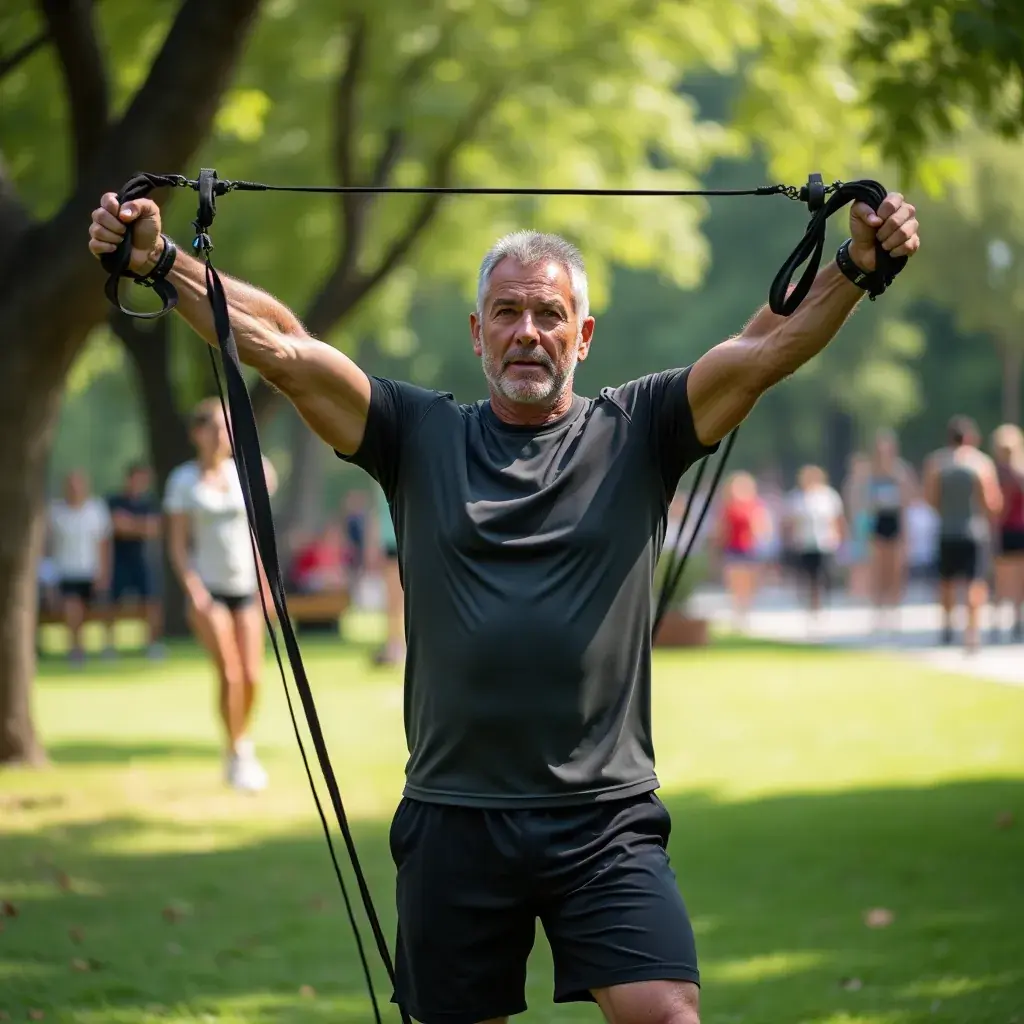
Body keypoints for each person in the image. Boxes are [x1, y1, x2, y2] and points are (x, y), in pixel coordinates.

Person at [89, 183, 920, 1024]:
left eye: (550, 314)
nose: (529, 331)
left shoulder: (640, 428)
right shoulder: (417, 435)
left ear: (583, 336)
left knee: (667, 1012)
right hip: (455, 815)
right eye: (508, 312)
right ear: (478, 333)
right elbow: (286, 350)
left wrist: (855, 263)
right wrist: (162, 262)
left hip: (604, 817)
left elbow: (763, 348)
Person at [164, 398, 277, 793]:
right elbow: (177, 545)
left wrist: (266, 589)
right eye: (212, 426)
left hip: (244, 587)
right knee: (229, 672)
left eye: (225, 427)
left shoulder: (242, 472)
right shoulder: (183, 481)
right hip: (208, 590)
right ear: (197, 433)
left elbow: (259, 533)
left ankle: (239, 742)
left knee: (252, 676)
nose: (220, 434)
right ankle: (238, 752)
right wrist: (193, 590)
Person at [922, 416, 1002, 651]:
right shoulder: (980, 464)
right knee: (974, 582)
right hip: (973, 531)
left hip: (946, 530)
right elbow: (991, 502)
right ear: (970, 438)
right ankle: (972, 632)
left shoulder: (937, 463)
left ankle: (947, 626)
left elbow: (930, 499)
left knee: (946, 581)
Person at [45, 469, 112, 664]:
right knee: (72, 610)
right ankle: (76, 649)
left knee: (100, 610)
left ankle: (106, 647)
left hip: (91, 570)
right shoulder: (56, 512)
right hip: (65, 571)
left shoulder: (96, 510)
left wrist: (104, 571)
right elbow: (48, 546)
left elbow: (104, 544)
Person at [105, 462, 164, 657]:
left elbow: (154, 529)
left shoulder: (150, 503)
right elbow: (116, 525)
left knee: (151, 603)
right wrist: (140, 526)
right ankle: (110, 646)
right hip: (118, 560)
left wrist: (130, 524)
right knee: (113, 603)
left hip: (143, 560)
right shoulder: (114, 500)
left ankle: (152, 644)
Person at [783, 464, 845, 625]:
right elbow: (790, 521)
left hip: (824, 542)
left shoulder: (828, 496)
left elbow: (836, 519)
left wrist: (839, 537)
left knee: (823, 574)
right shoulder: (796, 497)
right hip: (804, 543)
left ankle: (820, 604)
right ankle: (810, 604)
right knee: (808, 575)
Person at [865, 428, 913, 633]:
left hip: (894, 521)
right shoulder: (872, 473)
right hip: (878, 521)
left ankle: (894, 610)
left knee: (894, 569)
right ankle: (878, 610)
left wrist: (905, 531)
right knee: (878, 568)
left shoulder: (900, 471)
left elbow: (906, 502)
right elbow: (866, 502)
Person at [715, 471, 769, 629]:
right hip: (733, 548)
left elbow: (762, 525)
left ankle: (745, 608)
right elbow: (722, 528)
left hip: (750, 548)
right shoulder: (728, 507)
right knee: (735, 581)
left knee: (750, 582)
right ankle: (738, 611)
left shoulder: (755, 505)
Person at [989, 423, 1024, 641]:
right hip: (1002, 529)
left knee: (1019, 578)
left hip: (1019, 528)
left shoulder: (1019, 471)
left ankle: (1017, 619)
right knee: (1000, 578)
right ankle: (996, 620)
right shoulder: (994, 472)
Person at [368, 483, 405, 666]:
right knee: (393, 602)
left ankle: (399, 646)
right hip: (391, 543)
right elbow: (376, 515)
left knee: (401, 602)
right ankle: (394, 646)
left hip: (405, 539)